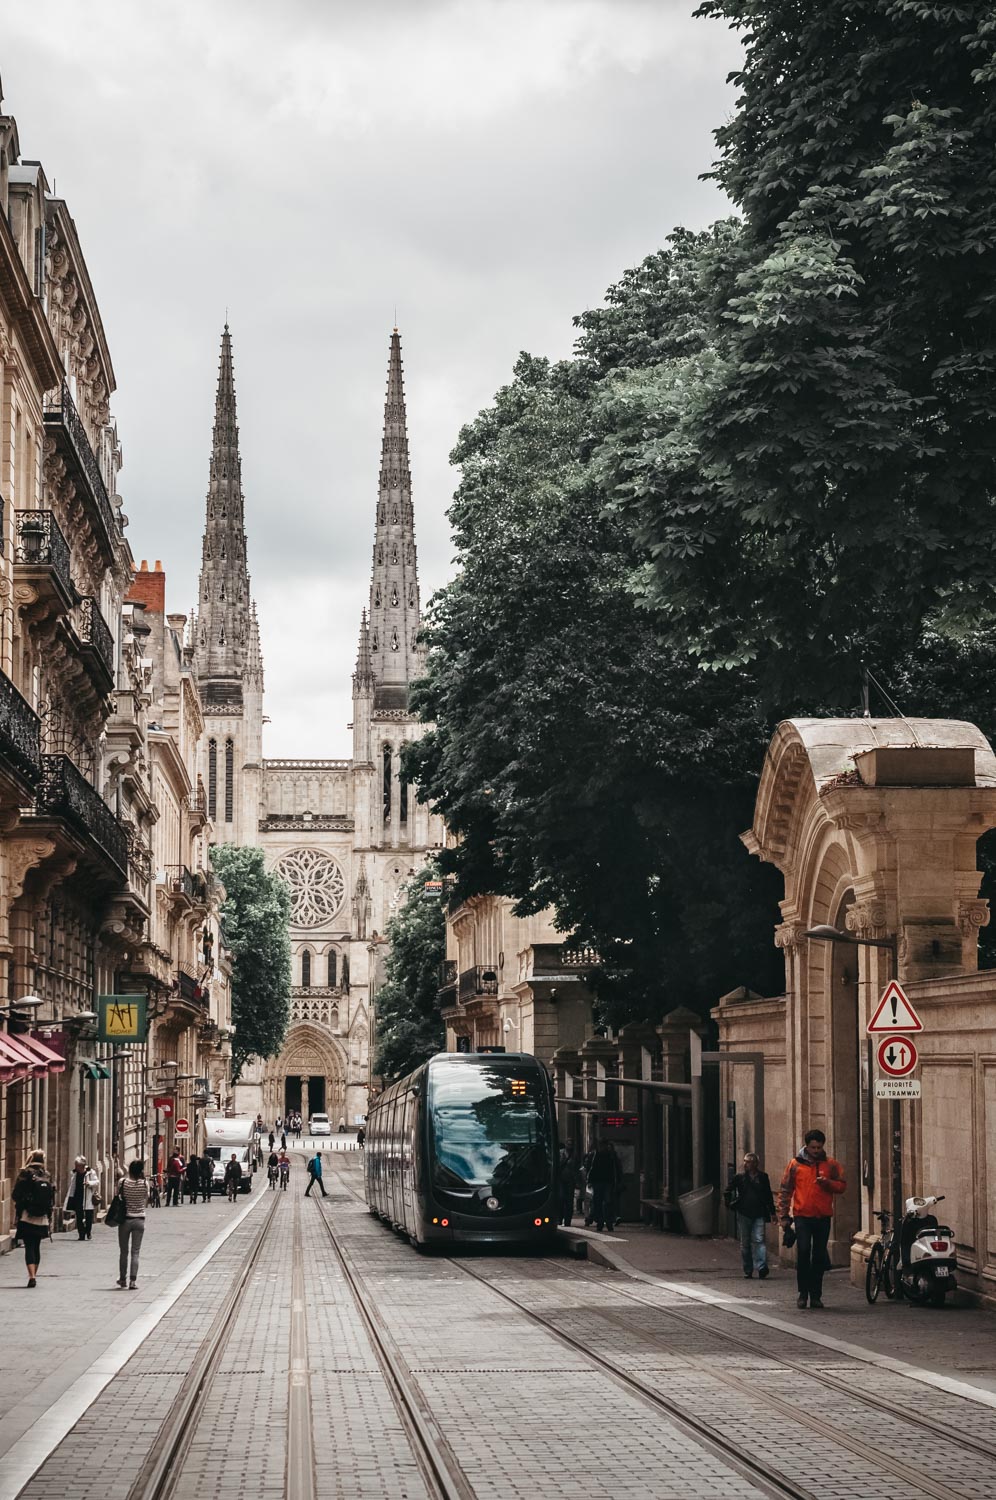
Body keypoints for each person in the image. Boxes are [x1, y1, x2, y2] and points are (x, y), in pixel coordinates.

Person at [778, 1128, 846, 1309]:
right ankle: (803, 1293)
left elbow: (841, 1186)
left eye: (819, 1147)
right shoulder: (795, 1165)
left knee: (818, 1255)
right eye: (813, 1147)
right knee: (803, 1251)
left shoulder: (831, 1165)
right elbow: (785, 1190)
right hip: (802, 1216)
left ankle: (816, 1295)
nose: (816, 1151)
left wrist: (827, 1183)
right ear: (806, 1146)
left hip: (823, 1216)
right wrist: (784, 1216)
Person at [727, 1151, 776, 1279]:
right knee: (745, 1242)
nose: (746, 1164)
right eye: (745, 1161)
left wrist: (772, 1212)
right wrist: (730, 1204)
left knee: (759, 1240)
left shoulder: (763, 1177)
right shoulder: (739, 1177)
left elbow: (768, 1195)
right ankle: (748, 1269)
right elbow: (728, 1190)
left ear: (755, 1164)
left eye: (749, 1162)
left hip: (759, 1212)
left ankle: (761, 1267)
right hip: (744, 1213)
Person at [12, 1149, 54, 1288]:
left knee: (29, 1246)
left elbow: (15, 1194)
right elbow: (52, 1196)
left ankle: (32, 1276)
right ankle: (34, 1274)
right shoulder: (47, 1175)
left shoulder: (25, 1174)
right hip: (42, 1217)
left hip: (27, 1216)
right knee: (36, 1246)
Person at [117, 1159, 149, 1289]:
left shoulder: (123, 1182)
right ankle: (133, 1281)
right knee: (135, 1252)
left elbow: (118, 1195)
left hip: (125, 1219)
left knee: (124, 1251)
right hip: (139, 1219)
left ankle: (122, 1279)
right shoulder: (145, 1184)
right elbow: (146, 1199)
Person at [586, 1139, 623, 1232]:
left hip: (606, 1182)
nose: (603, 1147)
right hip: (599, 1182)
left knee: (606, 1202)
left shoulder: (610, 1155)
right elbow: (589, 1168)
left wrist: (618, 1180)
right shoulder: (595, 1155)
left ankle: (606, 1222)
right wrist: (589, 1180)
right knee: (600, 1203)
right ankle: (602, 1222)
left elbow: (617, 1168)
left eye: (604, 1145)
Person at [65, 1154, 99, 1241]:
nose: (76, 1167)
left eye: (77, 1165)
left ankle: (88, 1232)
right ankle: (81, 1234)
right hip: (78, 1197)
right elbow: (73, 1186)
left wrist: (89, 1183)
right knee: (79, 1217)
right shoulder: (75, 1173)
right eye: (75, 1165)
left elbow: (96, 1182)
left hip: (87, 1198)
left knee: (88, 1217)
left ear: (82, 1166)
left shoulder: (90, 1172)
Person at [558, 1143, 580, 1227]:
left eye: (571, 1143)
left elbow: (576, 1168)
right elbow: (558, 1165)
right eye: (568, 1143)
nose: (570, 1145)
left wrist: (577, 1180)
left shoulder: (575, 1155)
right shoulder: (560, 1153)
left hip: (571, 1180)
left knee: (569, 1201)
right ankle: (559, 1219)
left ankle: (567, 1221)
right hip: (561, 1179)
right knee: (561, 1199)